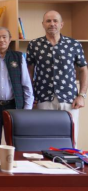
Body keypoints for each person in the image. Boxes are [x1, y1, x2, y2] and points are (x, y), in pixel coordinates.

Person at [27, 10, 87, 144]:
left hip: (69, 99)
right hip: (43, 97)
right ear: (43, 24)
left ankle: (70, 158)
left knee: (70, 138)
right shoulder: (34, 45)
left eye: (55, 21)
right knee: (44, 137)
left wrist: (82, 95)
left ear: (61, 24)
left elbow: (83, 69)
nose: (52, 24)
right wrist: (30, 95)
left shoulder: (74, 44)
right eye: (48, 21)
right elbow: (29, 71)